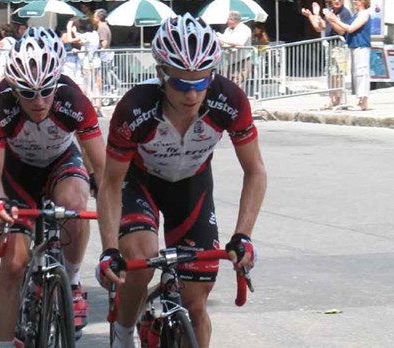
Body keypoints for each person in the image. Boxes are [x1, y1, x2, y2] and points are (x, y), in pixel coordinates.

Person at [95, 14, 266, 348]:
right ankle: (123, 333)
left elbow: (255, 170)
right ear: (161, 74)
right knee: (141, 262)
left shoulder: (228, 100)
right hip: (139, 182)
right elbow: (111, 183)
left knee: (196, 302)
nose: (192, 93)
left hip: (191, 186)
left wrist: (243, 235)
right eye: (182, 83)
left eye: (201, 82)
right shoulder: (135, 108)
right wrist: (109, 250)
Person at [0, 28, 105, 344]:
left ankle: (73, 282)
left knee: (76, 204)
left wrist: (109, 208)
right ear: (14, 86)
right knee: (13, 265)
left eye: (46, 91)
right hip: (17, 175)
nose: (38, 101)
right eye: (27, 93)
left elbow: (103, 169)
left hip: (60, 164)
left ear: (57, 81)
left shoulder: (73, 99)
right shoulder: (0, 107)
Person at [302, 0, 352, 109]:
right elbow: (320, 27)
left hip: (339, 46)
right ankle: (332, 98)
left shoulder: (345, 13)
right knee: (331, 73)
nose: (337, 1)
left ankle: (338, 99)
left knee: (337, 74)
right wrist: (312, 15)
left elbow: (342, 31)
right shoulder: (330, 11)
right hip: (331, 46)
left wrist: (332, 19)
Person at [324, 0, 371, 110]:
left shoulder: (364, 14)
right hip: (354, 45)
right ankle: (360, 100)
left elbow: (350, 28)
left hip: (361, 45)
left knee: (361, 73)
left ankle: (363, 102)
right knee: (356, 73)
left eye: (357, 0)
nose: (355, 2)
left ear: (363, 2)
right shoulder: (356, 14)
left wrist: (334, 20)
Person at [216, 10, 253, 89]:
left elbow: (239, 42)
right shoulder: (228, 30)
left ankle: (238, 100)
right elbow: (225, 42)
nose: (227, 22)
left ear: (234, 20)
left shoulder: (244, 29)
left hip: (242, 61)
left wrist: (222, 39)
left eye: (228, 19)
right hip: (230, 61)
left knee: (237, 83)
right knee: (227, 82)